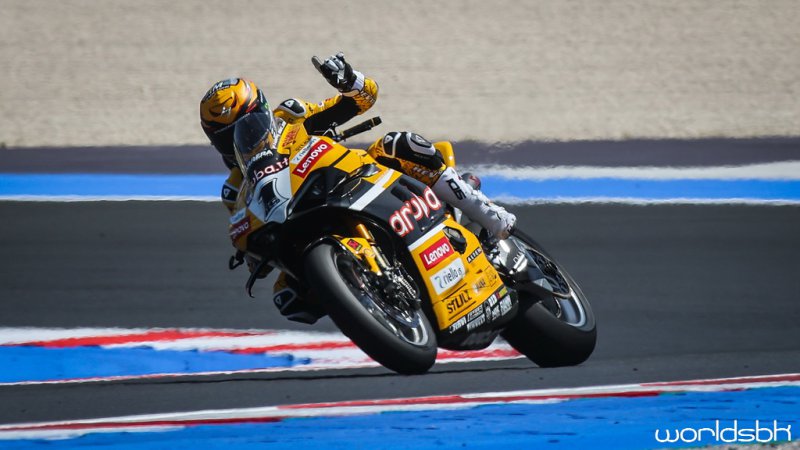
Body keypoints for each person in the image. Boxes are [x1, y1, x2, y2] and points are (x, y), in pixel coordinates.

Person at [200, 53, 516, 323]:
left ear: (264, 111)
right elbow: (250, 232)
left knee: (400, 144)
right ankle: (367, 299)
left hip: (351, 180)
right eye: (227, 136)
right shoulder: (235, 189)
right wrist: (253, 253)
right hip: (302, 222)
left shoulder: (292, 119)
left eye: (250, 123)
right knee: (288, 297)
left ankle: (489, 216)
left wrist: (349, 80)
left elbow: (362, 99)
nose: (243, 137)